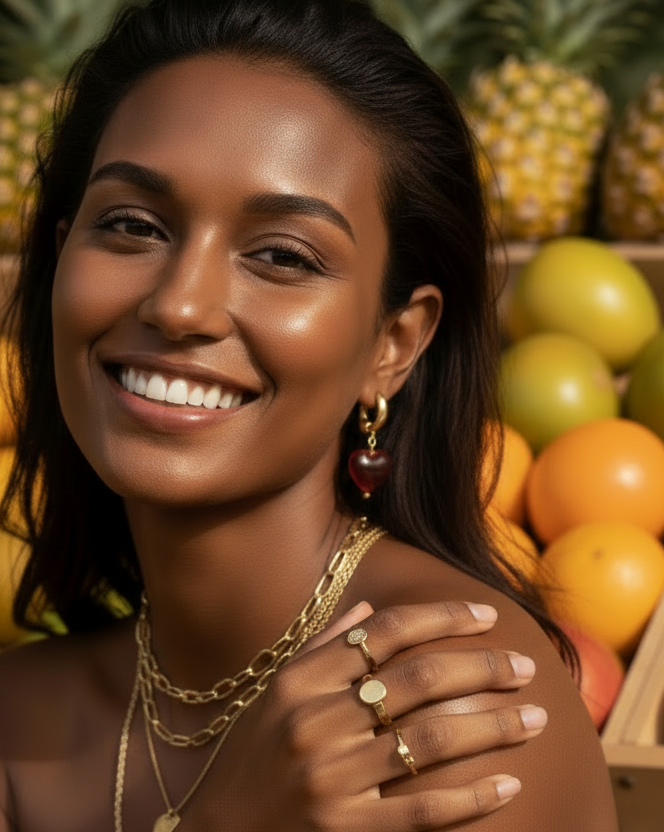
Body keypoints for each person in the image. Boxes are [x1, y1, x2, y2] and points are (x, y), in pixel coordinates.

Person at [0, 0, 618, 829]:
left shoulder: (448, 705)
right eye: (132, 225)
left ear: (392, 344)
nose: (181, 305)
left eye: (282, 256)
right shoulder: (21, 716)